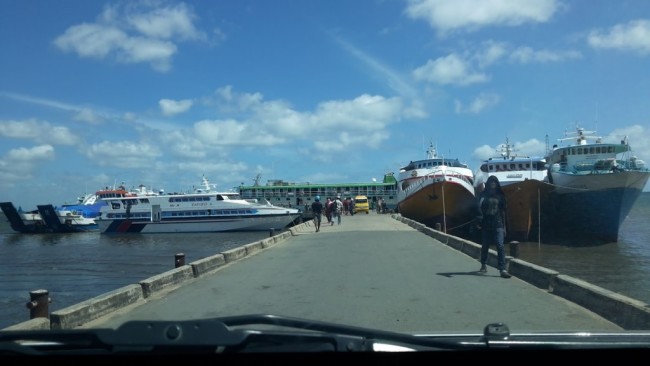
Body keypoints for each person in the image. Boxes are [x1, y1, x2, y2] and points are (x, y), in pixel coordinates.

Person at [475, 175, 511, 278]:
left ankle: (502, 269)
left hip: (498, 223)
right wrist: (478, 221)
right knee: (485, 245)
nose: (493, 184)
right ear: (488, 183)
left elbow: (504, 212)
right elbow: (478, 210)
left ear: (497, 184)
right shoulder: (483, 196)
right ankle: (483, 263)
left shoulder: (501, 196)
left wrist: (504, 227)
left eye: (495, 182)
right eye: (491, 182)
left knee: (500, 245)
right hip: (486, 224)